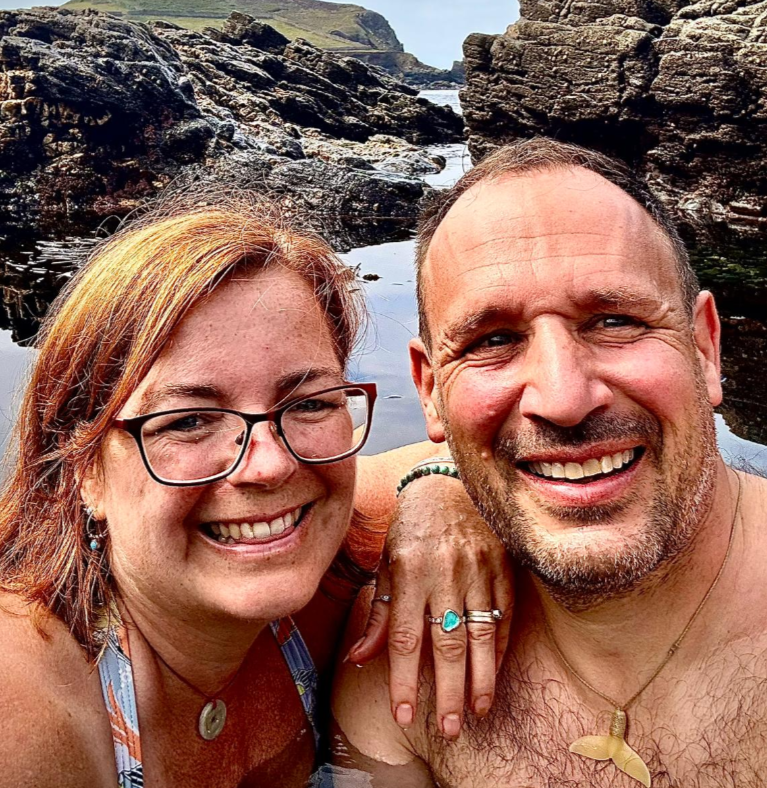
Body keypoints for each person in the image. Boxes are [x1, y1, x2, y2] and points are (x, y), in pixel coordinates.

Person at [0, 193, 511, 787]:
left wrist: (438, 499)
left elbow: (481, 458)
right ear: (83, 468)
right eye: (189, 420)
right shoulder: (27, 710)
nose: (268, 467)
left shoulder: (332, 569)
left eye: (309, 404)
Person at [333, 138, 767, 786]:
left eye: (614, 321)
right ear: (429, 390)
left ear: (704, 347)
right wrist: (437, 483)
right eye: (493, 340)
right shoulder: (399, 665)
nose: (564, 399)